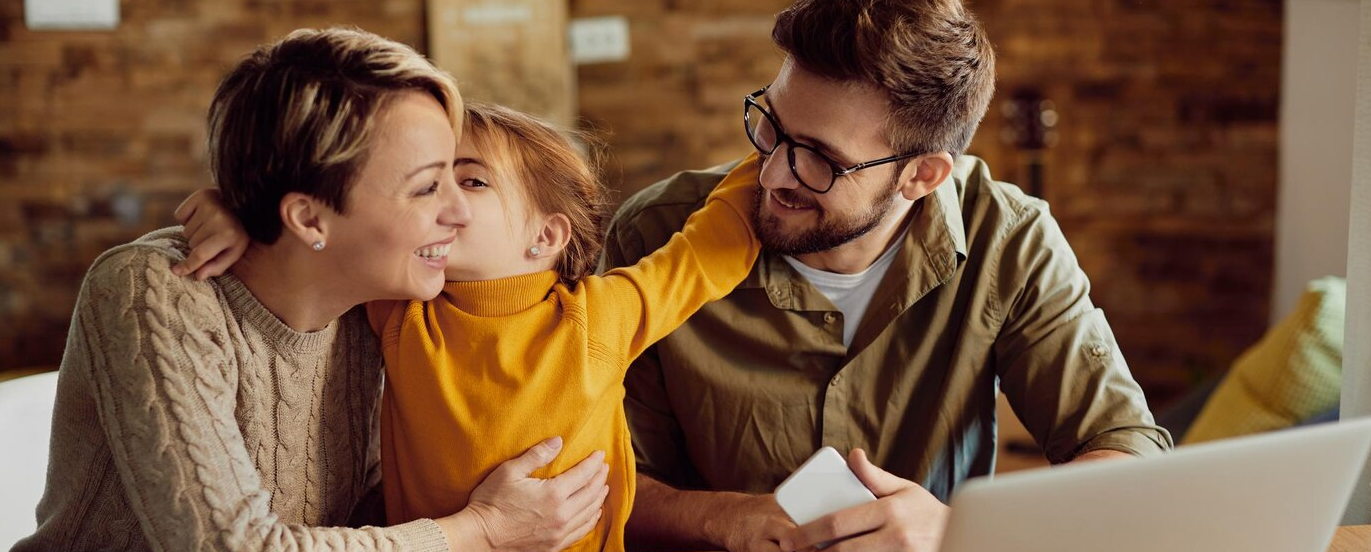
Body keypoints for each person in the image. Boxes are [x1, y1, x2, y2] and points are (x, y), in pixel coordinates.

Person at [599, 1, 1174, 551]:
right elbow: (596, 483)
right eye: (771, 123)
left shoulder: (1010, 240)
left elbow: (1125, 453)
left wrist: (957, 532)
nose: (771, 174)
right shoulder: (655, 235)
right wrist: (724, 520)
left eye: (819, 158)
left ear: (922, 175)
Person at [14, 28, 607, 552]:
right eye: (428, 187)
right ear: (308, 219)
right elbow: (233, 546)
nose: (458, 212)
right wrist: (481, 531)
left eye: (462, 178)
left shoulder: (382, 300)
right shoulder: (155, 290)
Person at [173, 102, 761, 551]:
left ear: (546, 236)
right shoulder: (402, 306)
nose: (442, 201)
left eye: (472, 181)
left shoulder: (602, 316)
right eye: (430, 183)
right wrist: (236, 212)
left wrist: (777, 148)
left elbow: (709, 249)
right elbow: (318, 236)